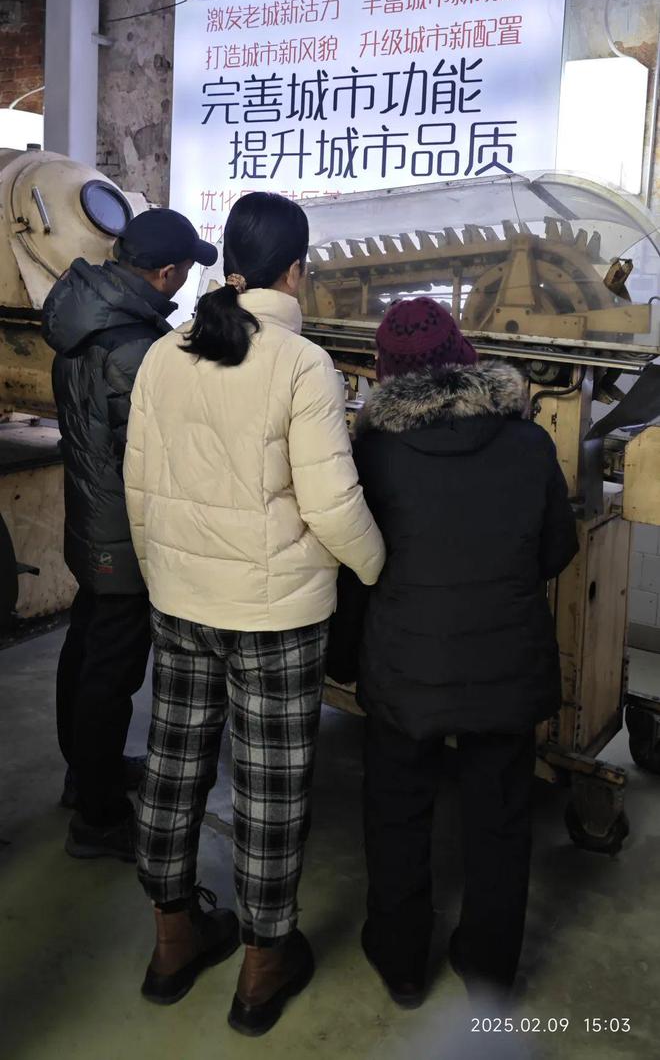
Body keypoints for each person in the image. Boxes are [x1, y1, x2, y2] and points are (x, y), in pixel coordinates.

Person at [124, 192, 384, 1031]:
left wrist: (164, 574)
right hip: (278, 618)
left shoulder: (164, 353)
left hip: (182, 604)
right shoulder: (303, 365)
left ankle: (172, 943)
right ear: (296, 271)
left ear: (228, 261)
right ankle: (262, 969)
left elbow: (137, 487)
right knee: (269, 790)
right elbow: (333, 504)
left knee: (172, 766)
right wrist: (375, 568)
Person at [352, 296, 578, 1005]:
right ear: (465, 356)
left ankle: (400, 960)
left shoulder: (373, 452)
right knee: (501, 811)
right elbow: (558, 549)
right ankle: (487, 967)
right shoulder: (529, 443)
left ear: (386, 373)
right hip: (504, 660)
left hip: (405, 661)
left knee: (396, 806)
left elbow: (356, 559)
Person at [43, 209, 218, 862]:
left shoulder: (82, 312)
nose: (184, 282)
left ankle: (85, 774)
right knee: (111, 674)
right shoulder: (137, 349)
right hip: (125, 533)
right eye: (185, 272)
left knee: (86, 647)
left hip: (90, 518)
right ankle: (99, 818)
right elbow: (153, 454)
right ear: (166, 272)